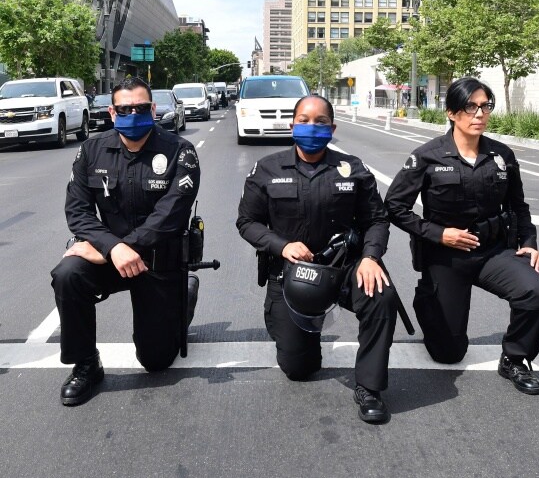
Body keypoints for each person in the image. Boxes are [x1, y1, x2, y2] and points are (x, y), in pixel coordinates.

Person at [384, 77, 539, 395]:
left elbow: (519, 206)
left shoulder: (502, 156)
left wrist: (529, 244)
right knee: (448, 354)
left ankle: (515, 358)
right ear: (451, 112)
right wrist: (438, 234)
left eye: (485, 106)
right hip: (445, 256)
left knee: (535, 292)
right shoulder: (427, 156)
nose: (479, 114)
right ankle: (429, 301)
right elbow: (394, 206)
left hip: (492, 252)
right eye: (470, 106)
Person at [237, 95, 401, 423]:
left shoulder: (352, 168)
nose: (312, 127)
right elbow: (247, 222)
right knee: (298, 369)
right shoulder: (267, 168)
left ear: (332, 127)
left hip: (345, 268)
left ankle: (369, 388)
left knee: (381, 297)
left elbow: (377, 220)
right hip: (293, 276)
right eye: (304, 120)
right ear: (292, 125)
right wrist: (281, 245)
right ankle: (300, 332)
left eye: (321, 122)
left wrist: (370, 257)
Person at [51, 76, 200, 406]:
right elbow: (78, 212)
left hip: (159, 260)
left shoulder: (180, 151)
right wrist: (112, 247)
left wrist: (123, 247)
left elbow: (171, 216)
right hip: (111, 257)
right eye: (125, 108)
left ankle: (183, 297)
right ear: (112, 112)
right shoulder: (92, 150)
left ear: (153, 108)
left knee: (156, 361)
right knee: (68, 274)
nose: (133, 113)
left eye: (141, 107)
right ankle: (86, 365)